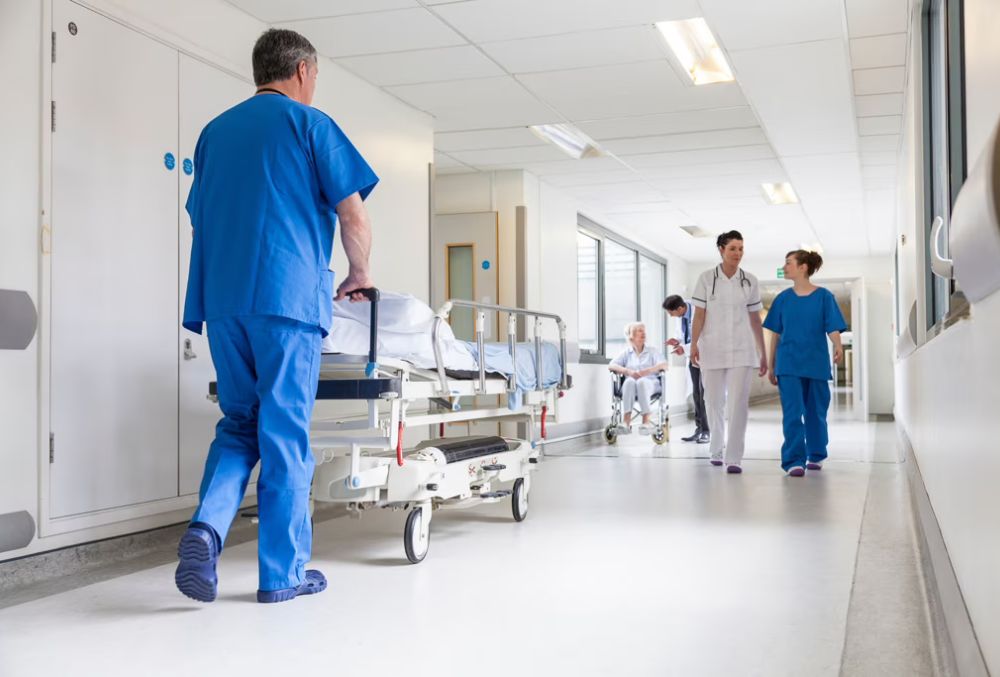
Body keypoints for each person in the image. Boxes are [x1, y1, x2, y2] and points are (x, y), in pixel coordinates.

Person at [175, 28, 379, 604]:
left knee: (239, 424)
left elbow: (201, 221)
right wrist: (359, 273)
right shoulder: (311, 125)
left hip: (223, 301)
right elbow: (353, 216)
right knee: (284, 432)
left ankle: (206, 528)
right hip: (286, 303)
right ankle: (282, 574)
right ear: (305, 70)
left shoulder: (214, 134)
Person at [763, 250, 847, 477]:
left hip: (816, 364)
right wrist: (771, 365)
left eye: (788, 263)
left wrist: (838, 345)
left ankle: (816, 454)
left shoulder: (824, 297)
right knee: (792, 413)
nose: (785, 266)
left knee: (816, 413)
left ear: (803, 267)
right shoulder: (782, 299)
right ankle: (793, 460)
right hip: (788, 364)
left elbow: (832, 326)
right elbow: (775, 335)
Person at [690, 231, 767, 474]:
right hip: (711, 348)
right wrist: (693, 344)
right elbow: (699, 315)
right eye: (733, 248)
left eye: (741, 248)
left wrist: (762, 352)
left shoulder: (750, 281)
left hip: (742, 350)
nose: (738, 253)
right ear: (721, 250)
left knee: (738, 404)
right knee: (712, 402)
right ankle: (716, 448)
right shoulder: (705, 278)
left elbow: (755, 319)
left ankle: (734, 457)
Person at [663, 295, 709, 444]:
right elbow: (686, 337)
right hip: (692, 358)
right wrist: (677, 342)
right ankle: (699, 429)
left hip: (705, 356)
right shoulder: (681, 317)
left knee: (704, 394)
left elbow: (703, 337)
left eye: (671, 313)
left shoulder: (699, 311)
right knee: (696, 394)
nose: (671, 316)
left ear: (680, 308)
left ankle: (707, 431)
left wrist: (684, 348)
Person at [608, 322, 668, 435]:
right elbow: (611, 365)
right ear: (631, 336)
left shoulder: (652, 351)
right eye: (639, 330)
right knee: (629, 381)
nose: (643, 333)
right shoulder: (627, 352)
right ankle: (626, 421)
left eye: (644, 330)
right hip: (630, 387)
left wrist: (647, 371)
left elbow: (664, 365)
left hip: (650, 383)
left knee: (641, 382)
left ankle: (646, 421)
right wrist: (628, 371)